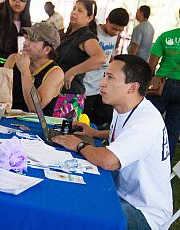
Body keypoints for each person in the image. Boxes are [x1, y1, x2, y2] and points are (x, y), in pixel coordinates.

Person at [52, 54, 172, 229]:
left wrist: (78, 145)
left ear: (132, 87)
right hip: (122, 193)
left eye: (110, 77)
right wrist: (95, 133)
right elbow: (126, 134)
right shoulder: (125, 106)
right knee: (72, 197)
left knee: (80, 217)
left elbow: (109, 161)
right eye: (104, 76)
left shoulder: (147, 121)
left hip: (145, 212)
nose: (102, 83)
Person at [55, 0, 105, 120]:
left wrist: (72, 72)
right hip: (56, 91)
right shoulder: (69, 34)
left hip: (69, 95)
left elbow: (100, 58)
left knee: (59, 134)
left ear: (90, 17)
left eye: (80, 10)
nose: (74, 13)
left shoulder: (86, 36)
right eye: (74, 9)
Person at [4, 22, 64, 116]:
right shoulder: (13, 60)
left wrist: (25, 71)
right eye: (26, 37)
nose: (25, 42)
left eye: (32, 40)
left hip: (36, 127)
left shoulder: (55, 73)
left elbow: (34, 108)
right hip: (6, 121)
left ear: (47, 50)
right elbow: (0, 94)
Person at [83, 8, 129, 127]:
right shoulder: (93, 33)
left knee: (105, 115)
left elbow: (110, 57)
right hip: (86, 84)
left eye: (120, 30)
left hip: (101, 85)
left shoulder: (115, 37)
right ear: (107, 20)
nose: (116, 32)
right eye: (114, 28)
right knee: (83, 118)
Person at [148, 27, 180, 162]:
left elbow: (152, 65)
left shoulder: (166, 36)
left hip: (162, 84)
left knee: (147, 121)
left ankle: (142, 156)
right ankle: (165, 164)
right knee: (172, 130)